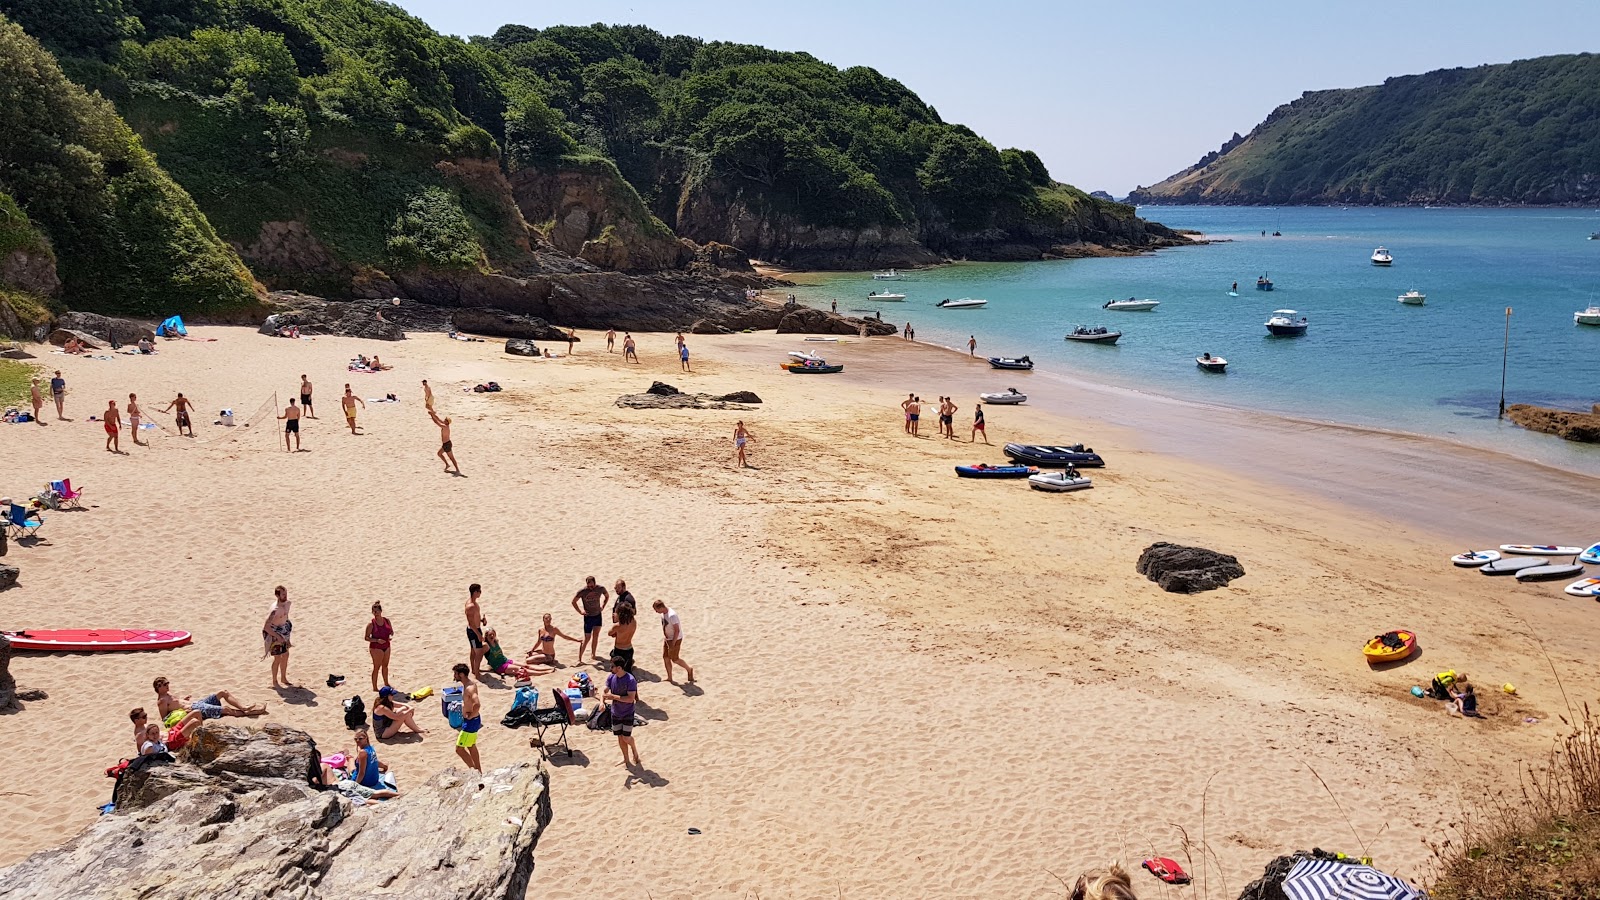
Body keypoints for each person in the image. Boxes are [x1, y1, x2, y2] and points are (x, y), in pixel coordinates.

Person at [154, 677, 265, 733]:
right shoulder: (161, 701)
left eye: (167, 683)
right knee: (226, 709)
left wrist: (183, 700)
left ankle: (243, 708)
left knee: (223, 692)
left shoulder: (167, 694)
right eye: (164, 684)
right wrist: (184, 714)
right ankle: (251, 712)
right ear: (158, 687)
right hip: (195, 709)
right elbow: (165, 718)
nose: (167, 685)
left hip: (198, 703)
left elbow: (175, 705)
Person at [603, 656, 641, 767]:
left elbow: (630, 699)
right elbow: (604, 691)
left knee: (626, 737)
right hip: (615, 712)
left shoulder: (630, 680)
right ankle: (626, 759)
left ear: (619, 668)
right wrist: (602, 702)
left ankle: (634, 749)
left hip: (627, 712)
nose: (610, 668)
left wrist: (614, 697)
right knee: (619, 737)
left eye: (612, 666)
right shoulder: (611, 677)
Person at [651, 599, 695, 684]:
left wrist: (673, 643)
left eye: (656, 610)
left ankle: (689, 669)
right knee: (666, 657)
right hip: (668, 639)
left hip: (675, 639)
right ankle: (670, 677)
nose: (656, 612)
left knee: (675, 659)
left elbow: (677, 630)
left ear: (661, 607)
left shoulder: (672, 615)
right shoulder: (663, 614)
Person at [571, 576, 610, 664]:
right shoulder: (582, 591)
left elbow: (607, 596)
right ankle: (579, 658)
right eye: (588, 586)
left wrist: (603, 606)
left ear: (595, 583)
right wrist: (580, 611)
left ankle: (593, 654)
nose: (590, 588)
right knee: (587, 638)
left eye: (591, 586)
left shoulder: (600, 588)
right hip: (588, 617)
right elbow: (573, 601)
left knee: (596, 635)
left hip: (597, 615)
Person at [451, 663, 482, 772]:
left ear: (462, 674)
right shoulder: (468, 684)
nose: (454, 676)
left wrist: (470, 716)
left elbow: (477, 704)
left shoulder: (469, 688)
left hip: (471, 722)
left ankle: (473, 770)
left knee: (459, 749)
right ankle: (478, 770)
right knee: (471, 746)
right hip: (473, 721)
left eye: (456, 674)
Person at [264, 585, 294, 687]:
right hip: (273, 632)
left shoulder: (288, 604)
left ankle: (283, 678)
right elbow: (266, 627)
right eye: (283, 594)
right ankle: (274, 681)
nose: (285, 596)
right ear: (277, 595)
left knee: (285, 655)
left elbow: (286, 618)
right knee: (277, 658)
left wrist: (286, 636)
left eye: (286, 593)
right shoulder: (274, 610)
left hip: (283, 630)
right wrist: (277, 636)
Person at [365, 602, 392, 691]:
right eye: (374, 611)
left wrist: (390, 635)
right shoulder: (371, 624)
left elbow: (391, 631)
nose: (375, 613)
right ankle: (375, 687)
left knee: (385, 665)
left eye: (377, 611)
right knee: (376, 667)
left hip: (387, 645)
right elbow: (366, 637)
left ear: (381, 611)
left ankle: (386, 683)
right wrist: (377, 640)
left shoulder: (387, 620)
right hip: (376, 647)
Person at [464, 583, 487, 677]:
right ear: (475, 592)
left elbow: (475, 619)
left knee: (473, 650)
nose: (480, 593)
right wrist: (478, 634)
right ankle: (477, 673)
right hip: (473, 631)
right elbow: (470, 623)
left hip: (476, 629)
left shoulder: (474, 603)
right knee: (479, 652)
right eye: (479, 591)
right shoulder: (470, 606)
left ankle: (474, 669)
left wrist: (482, 620)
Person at [609, 602, 637, 673]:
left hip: (619, 650)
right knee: (627, 671)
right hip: (629, 649)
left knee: (616, 671)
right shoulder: (634, 622)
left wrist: (615, 619)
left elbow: (609, 633)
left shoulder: (618, 626)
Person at [429, 409, 458, 473]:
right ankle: (447, 464)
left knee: (451, 458)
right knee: (439, 454)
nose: (444, 420)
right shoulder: (445, 425)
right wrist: (433, 414)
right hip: (445, 444)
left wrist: (431, 416)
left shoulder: (445, 426)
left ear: (447, 422)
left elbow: (436, 422)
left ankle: (457, 470)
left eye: (445, 420)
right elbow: (438, 419)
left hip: (447, 444)